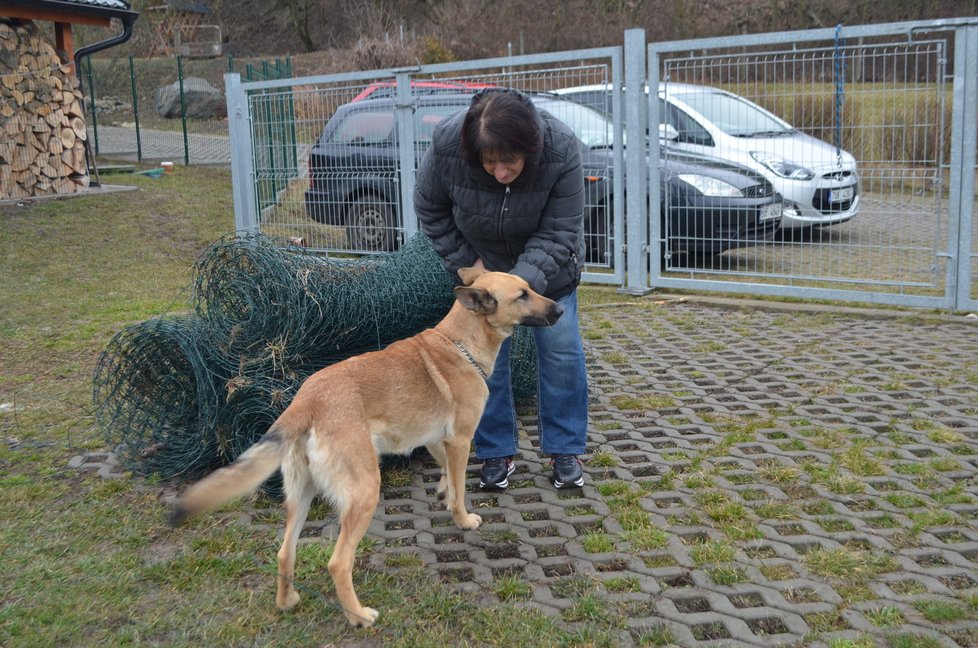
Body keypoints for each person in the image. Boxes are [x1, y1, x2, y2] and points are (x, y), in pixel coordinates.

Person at [414, 87, 588, 490]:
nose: (499, 173)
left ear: (530, 147)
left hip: (549, 271)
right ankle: (495, 453)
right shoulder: (448, 145)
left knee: (561, 355)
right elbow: (430, 207)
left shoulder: (561, 148)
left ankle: (565, 450)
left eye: (509, 162)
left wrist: (516, 286)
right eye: (488, 162)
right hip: (480, 270)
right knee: (480, 365)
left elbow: (560, 230)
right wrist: (471, 270)